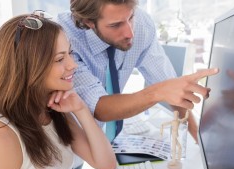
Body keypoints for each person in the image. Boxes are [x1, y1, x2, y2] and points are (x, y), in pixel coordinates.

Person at [0, 11, 143, 169]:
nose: (72, 65)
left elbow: (106, 163)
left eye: (70, 53)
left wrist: (80, 109)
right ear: (29, 68)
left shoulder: (53, 110)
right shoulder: (3, 138)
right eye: (60, 59)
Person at [57, 0, 219, 143]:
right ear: (88, 22)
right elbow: (97, 107)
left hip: (97, 143)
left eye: (131, 17)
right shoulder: (63, 39)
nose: (130, 33)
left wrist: (198, 139)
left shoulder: (142, 25)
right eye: (115, 25)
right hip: (64, 139)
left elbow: (170, 85)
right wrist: (157, 92)